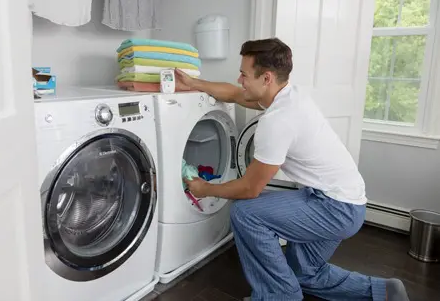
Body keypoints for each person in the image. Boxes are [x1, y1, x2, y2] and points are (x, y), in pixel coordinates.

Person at [175, 38, 410, 301]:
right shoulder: (288, 95)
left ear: (266, 78)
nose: (239, 79)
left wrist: (204, 188)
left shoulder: (277, 120)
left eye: (243, 74)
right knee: (304, 274)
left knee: (245, 213)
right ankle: (385, 292)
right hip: (345, 200)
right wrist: (193, 84)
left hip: (335, 208)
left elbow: (250, 189)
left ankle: (280, 297)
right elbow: (233, 93)